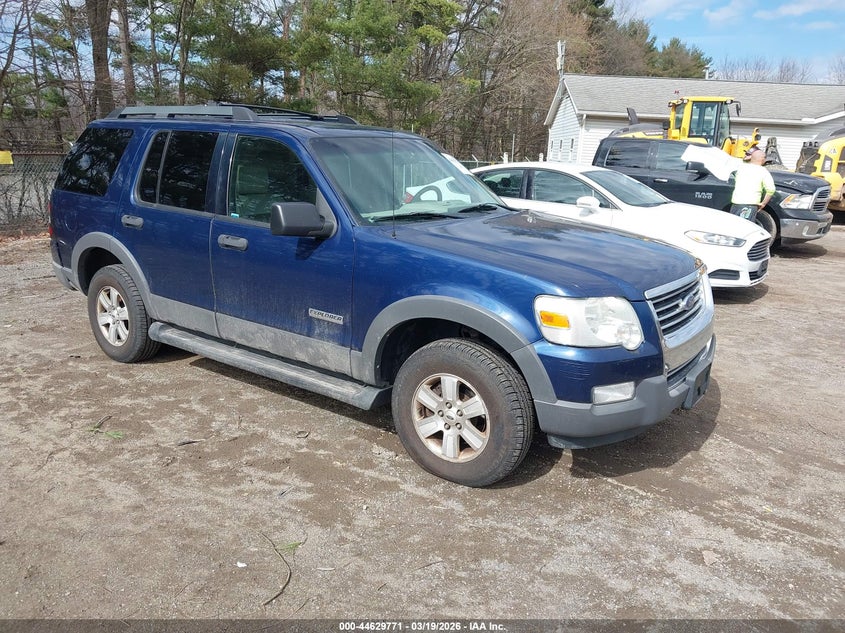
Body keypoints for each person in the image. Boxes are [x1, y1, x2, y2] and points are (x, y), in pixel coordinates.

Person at [730, 147, 775, 221]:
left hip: (735, 204)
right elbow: (771, 189)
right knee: (746, 228)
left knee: (734, 227)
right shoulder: (763, 171)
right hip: (750, 206)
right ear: (763, 159)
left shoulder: (740, 168)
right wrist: (763, 203)